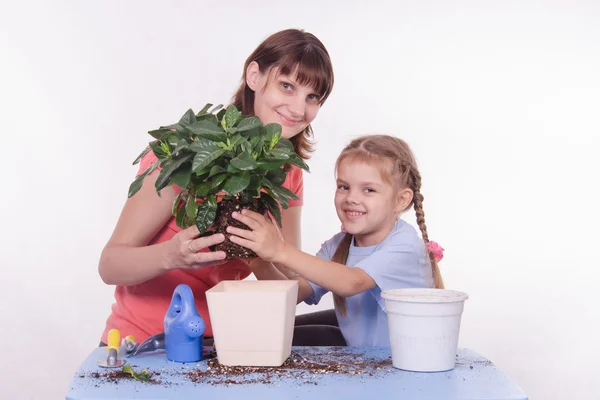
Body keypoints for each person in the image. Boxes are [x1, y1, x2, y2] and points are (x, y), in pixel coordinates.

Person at [97, 28, 334, 345]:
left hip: (222, 341)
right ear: (254, 75)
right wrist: (172, 255)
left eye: (312, 97)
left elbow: (288, 278)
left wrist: (263, 258)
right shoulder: (188, 152)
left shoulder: (286, 168)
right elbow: (110, 265)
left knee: (336, 338)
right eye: (286, 86)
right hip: (147, 341)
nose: (298, 108)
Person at [227, 134, 445, 346]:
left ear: (401, 200)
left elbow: (352, 282)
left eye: (368, 190)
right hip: (368, 365)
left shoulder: (404, 245)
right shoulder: (339, 245)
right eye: (344, 187)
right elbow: (292, 293)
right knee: (280, 331)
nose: (351, 198)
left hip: (409, 368)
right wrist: (257, 260)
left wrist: (280, 250)